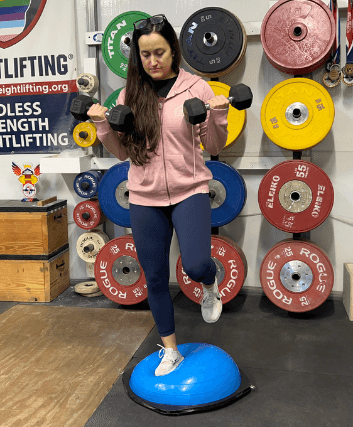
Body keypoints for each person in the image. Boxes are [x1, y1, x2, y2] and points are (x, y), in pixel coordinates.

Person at [89, 14, 230, 376]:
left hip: (190, 190)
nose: (153, 61)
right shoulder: (128, 96)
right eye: (145, 54)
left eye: (160, 52)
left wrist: (218, 115)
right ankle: (171, 349)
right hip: (144, 197)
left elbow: (214, 145)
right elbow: (122, 153)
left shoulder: (197, 87)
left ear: (174, 50)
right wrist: (102, 124)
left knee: (196, 264)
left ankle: (210, 285)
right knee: (154, 277)